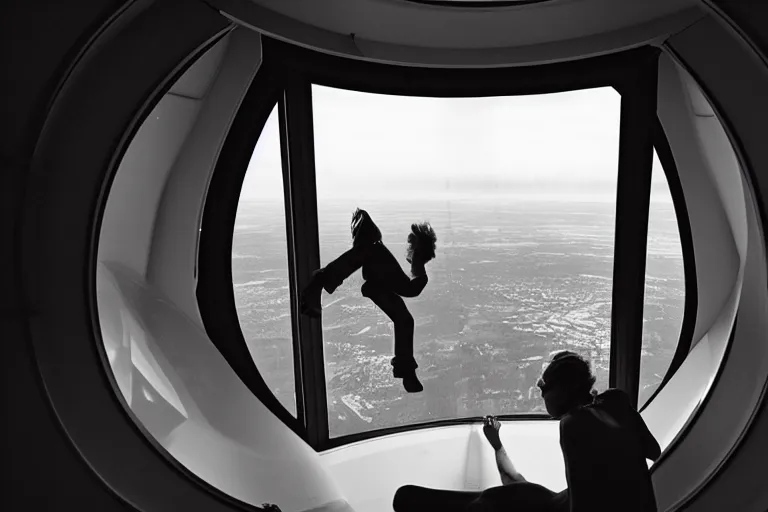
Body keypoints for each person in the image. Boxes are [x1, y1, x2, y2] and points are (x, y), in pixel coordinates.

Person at [392, 350, 662, 511]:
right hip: (537, 501)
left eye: (543, 387)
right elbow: (653, 450)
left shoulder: (573, 425)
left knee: (406, 498)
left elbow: (581, 506)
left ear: (563, 388)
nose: (541, 394)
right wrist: (497, 444)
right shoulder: (616, 400)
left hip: (528, 502)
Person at [300, 208, 437, 393]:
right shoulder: (375, 249)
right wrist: (418, 263)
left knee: (405, 320)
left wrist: (418, 263)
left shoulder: (377, 251)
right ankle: (320, 280)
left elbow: (408, 288)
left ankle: (406, 371)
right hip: (378, 279)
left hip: (378, 281)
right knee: (404, 318)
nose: (408, 248)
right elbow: (408, 288)